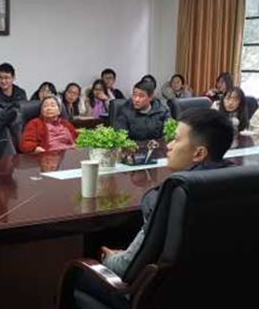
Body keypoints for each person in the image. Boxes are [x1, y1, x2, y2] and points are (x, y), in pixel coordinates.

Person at [100, 108, 234, 276]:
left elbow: (124, 267)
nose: (168, 146)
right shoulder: (238, 183)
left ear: (199, 153)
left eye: (176, 140)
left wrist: (109, 258)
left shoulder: (176, 193)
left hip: (161, 289)